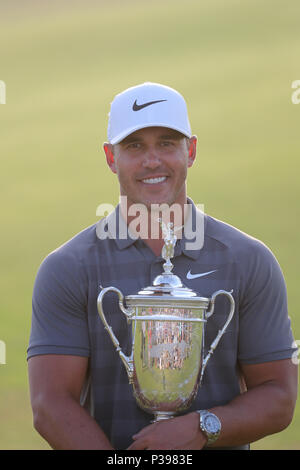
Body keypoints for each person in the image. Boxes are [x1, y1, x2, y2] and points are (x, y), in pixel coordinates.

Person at [27, 82, 298, 450]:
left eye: (167, 143)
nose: (152, 161)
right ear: (110, 157)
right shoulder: (69, 268)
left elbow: (279, 396)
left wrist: (202, 428)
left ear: (192, 151)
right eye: (135, 146)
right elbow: (50, 405)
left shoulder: (248, 260)